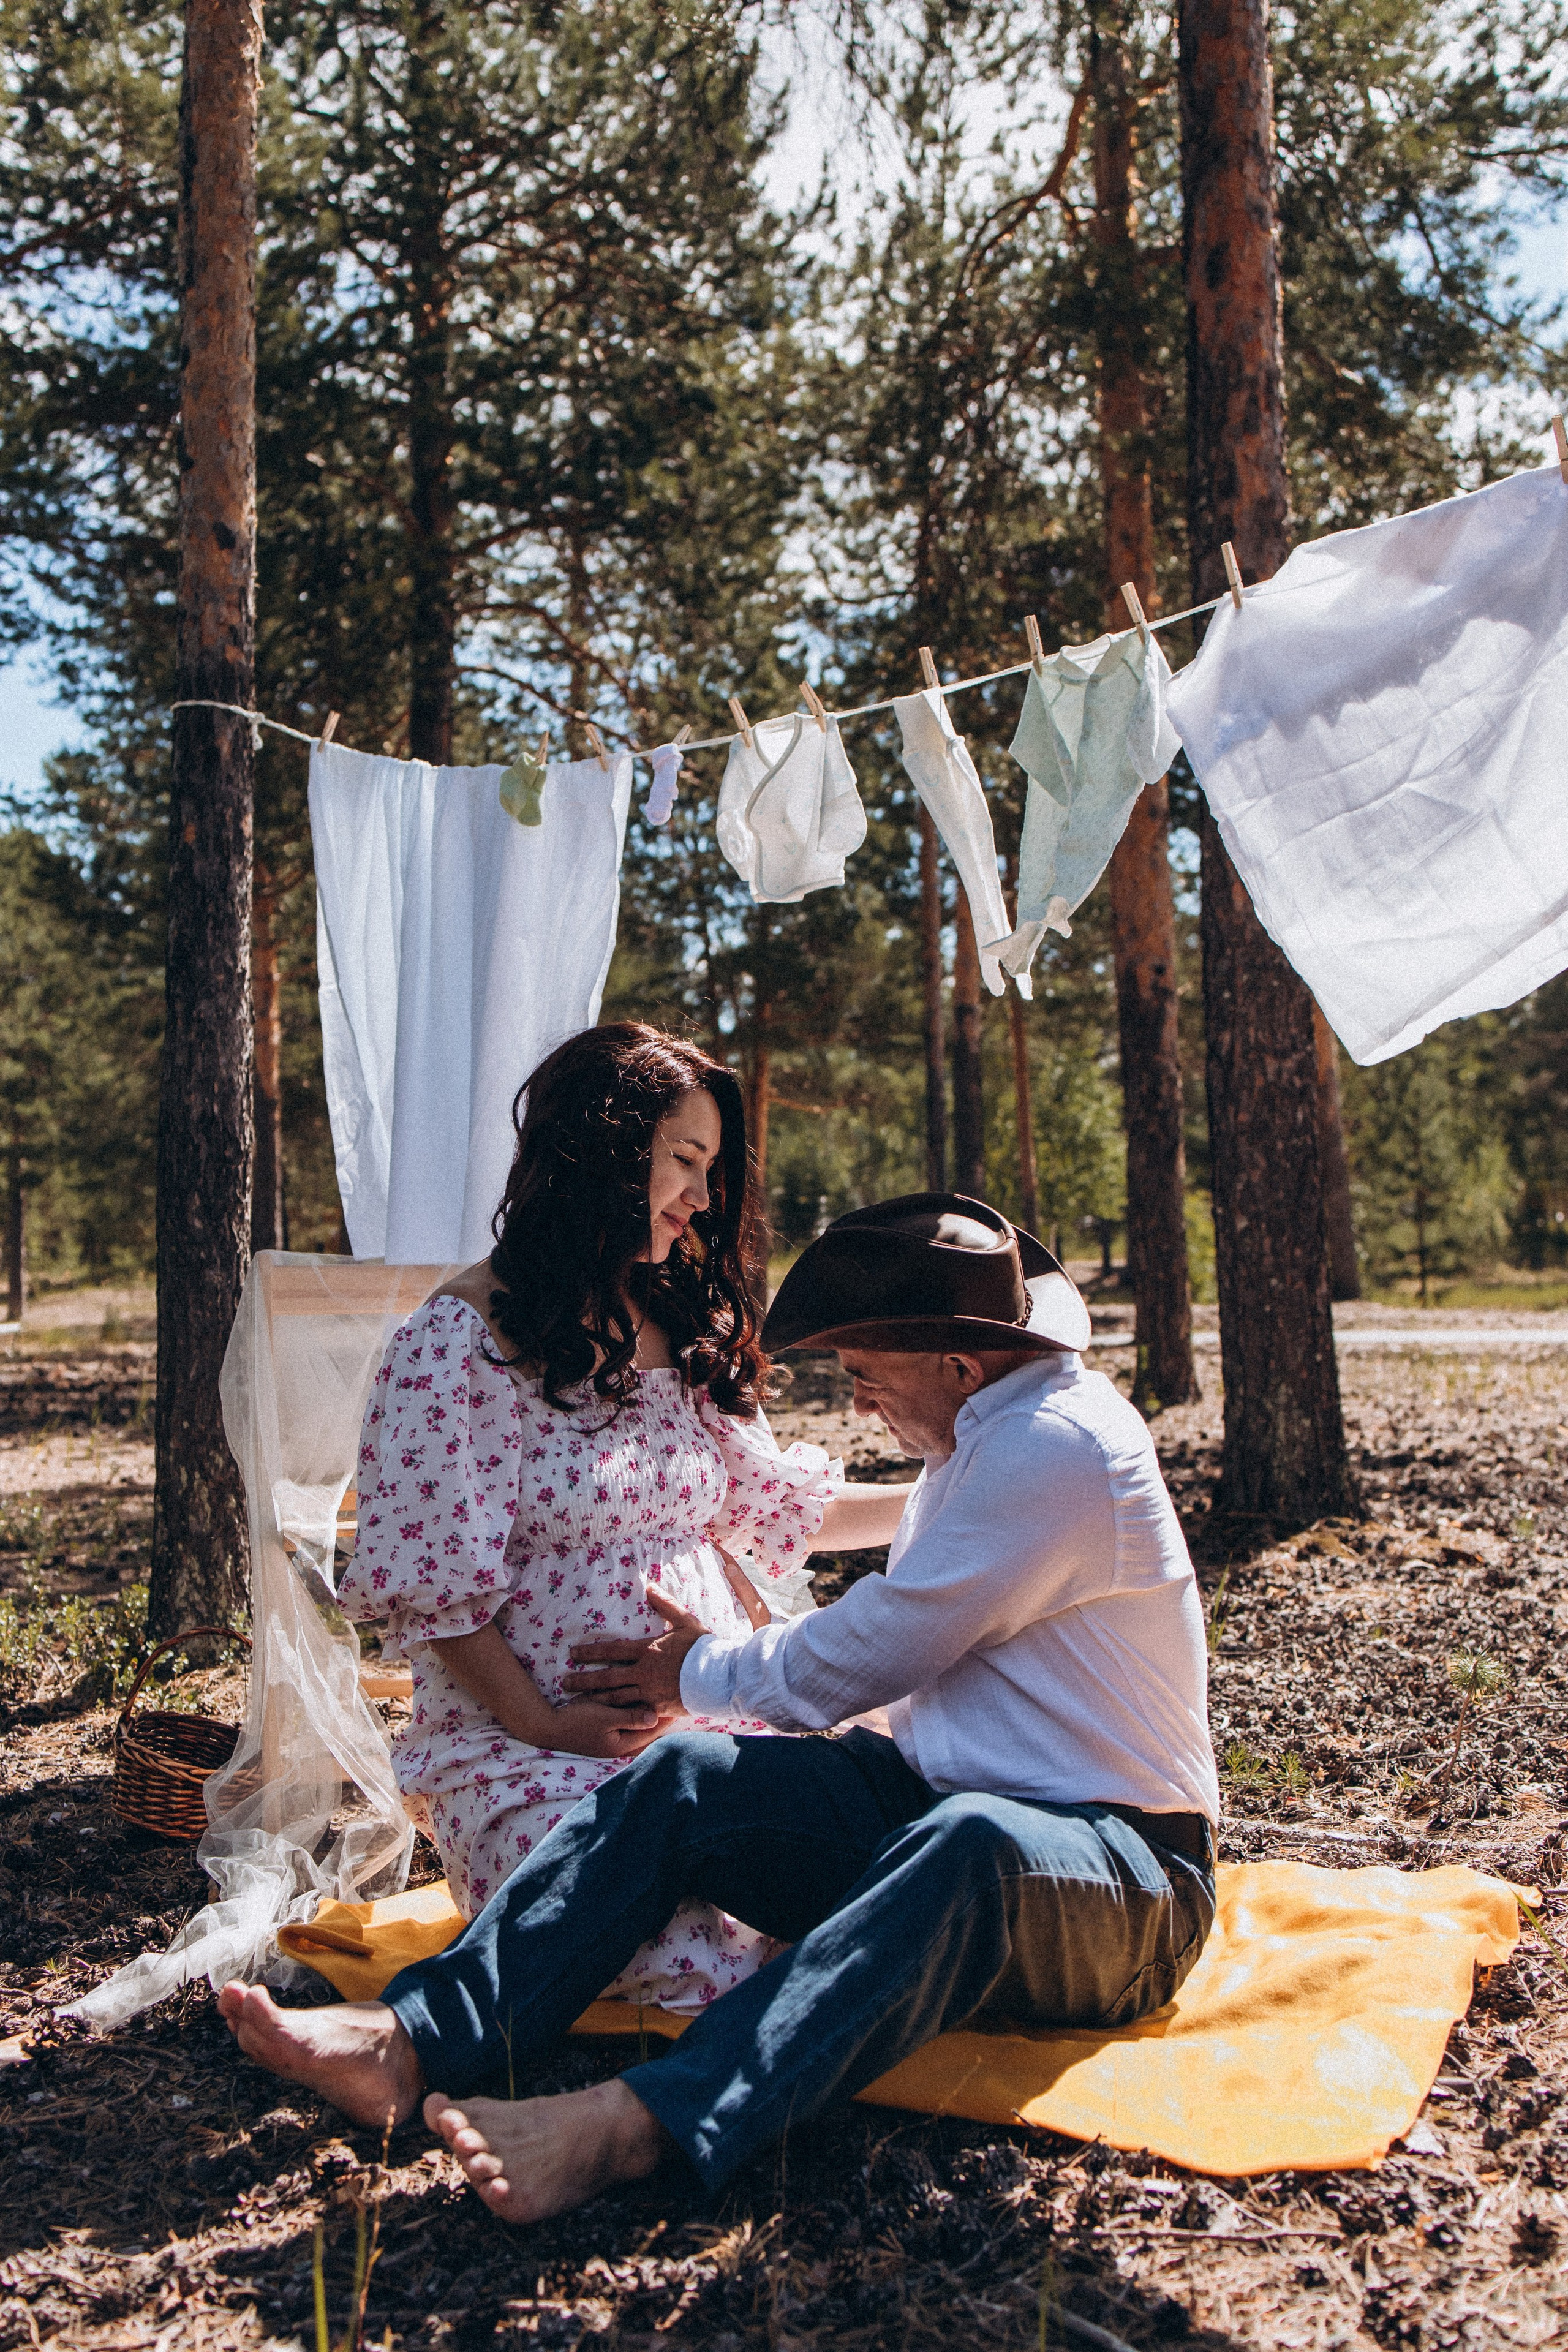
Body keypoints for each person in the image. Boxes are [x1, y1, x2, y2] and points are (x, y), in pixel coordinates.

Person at [221, 1193, 1219, 2225]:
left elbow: (863, 1655)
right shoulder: (986, 1429)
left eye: (869, 1380)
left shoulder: (1055, 1447)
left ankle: (639, 2123)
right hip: (937, 1803)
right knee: (690, 1778)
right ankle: (415, 2042)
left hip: (1122, 1875)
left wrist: (691, 1670)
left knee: (970, 1846)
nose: (864, 1406)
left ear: (960, 1367)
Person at [333, 1022, 911, 2008]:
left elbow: (780, 1505)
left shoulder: (679, 1330)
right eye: (684, 1159)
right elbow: (436, 1592)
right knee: (683, 1944)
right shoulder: (458, 1344)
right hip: (528, 1757)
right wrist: (549, 1722)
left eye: (711, 1169)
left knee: (874, 1879)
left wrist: (958, 1495)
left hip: (716, 1726)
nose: (701, 1195)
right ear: (600, 1150)